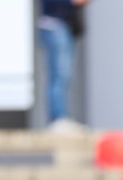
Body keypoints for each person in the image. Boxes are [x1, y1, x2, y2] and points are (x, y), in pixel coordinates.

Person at [38, 0, 88, 131]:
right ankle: (58, 119)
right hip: (54, 25)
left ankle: (61, 118)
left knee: (65, 76)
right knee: (59, 76)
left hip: (64, 26)